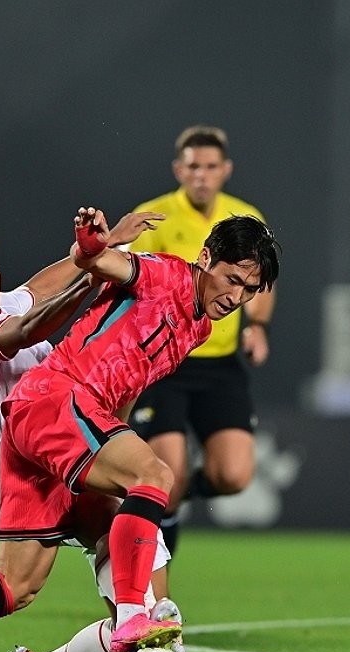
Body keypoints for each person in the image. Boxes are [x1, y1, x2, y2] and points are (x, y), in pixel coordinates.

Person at [0, 207, 279, 652]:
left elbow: (45, 289)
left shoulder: (192, 326)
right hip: (52, 409)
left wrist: (88, 257)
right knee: (153, 479)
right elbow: (29, 325)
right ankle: (135, 617)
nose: (235, 297)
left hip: (55, 443)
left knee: (18, 586)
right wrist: (94, 257)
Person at [127, 126, 276, 559]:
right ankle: (155, 593)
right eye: (193, 166)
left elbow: (262, 283)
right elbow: (134, 281)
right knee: (164, 481)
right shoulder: (153, 217)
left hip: (220, 363)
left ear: (226, 170)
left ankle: (175, 495)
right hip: (165, 364)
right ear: (179, 169)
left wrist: (258, 327)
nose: (202, 176)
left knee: (233, 475)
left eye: (211, 167)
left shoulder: (245, 218)